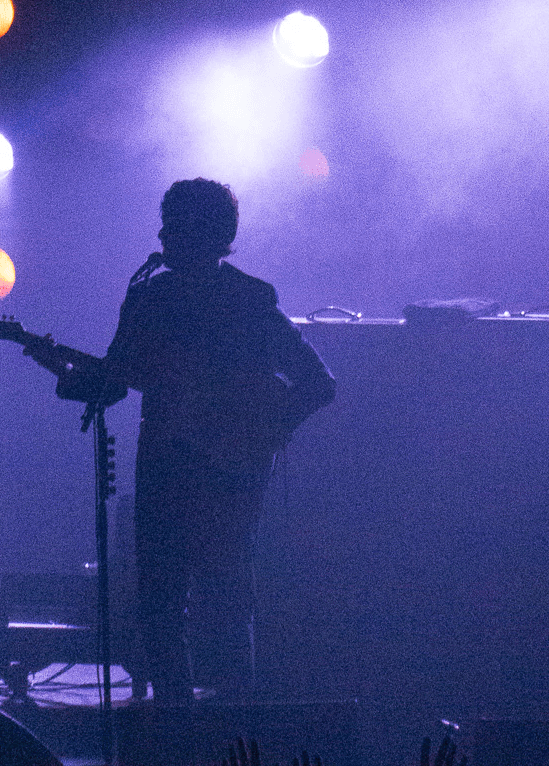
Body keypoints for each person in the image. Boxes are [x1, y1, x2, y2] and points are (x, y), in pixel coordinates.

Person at [51, 178, 336, 707]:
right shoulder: (154, 297)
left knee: (208, 601)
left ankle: (220, 729)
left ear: (198, 232)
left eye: (171, 223)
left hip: (216, 473)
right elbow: (116, 380)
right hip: (178, 468)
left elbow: (318, 382)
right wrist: (61, 370)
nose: (160, 233)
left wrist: (265, 430)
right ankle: (189, 724)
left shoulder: (245, 300)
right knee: (176, 602)